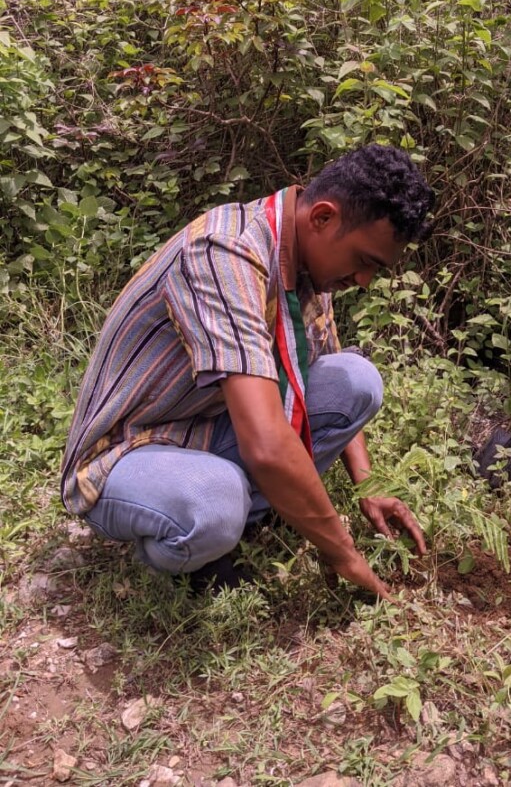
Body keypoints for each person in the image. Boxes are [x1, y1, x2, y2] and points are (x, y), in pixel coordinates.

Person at [61, 144, 434, 598]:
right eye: (364, 261)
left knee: (356, 380)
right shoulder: (226, 254)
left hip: (207, 427)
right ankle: (186, 550)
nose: (364, 280)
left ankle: (249, 514)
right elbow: (266, 446)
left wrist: (370, 485)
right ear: (322, 218)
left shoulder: (307, 263)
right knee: (214, 502)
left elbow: (309, 372)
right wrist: (345, 556)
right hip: (127, 452)